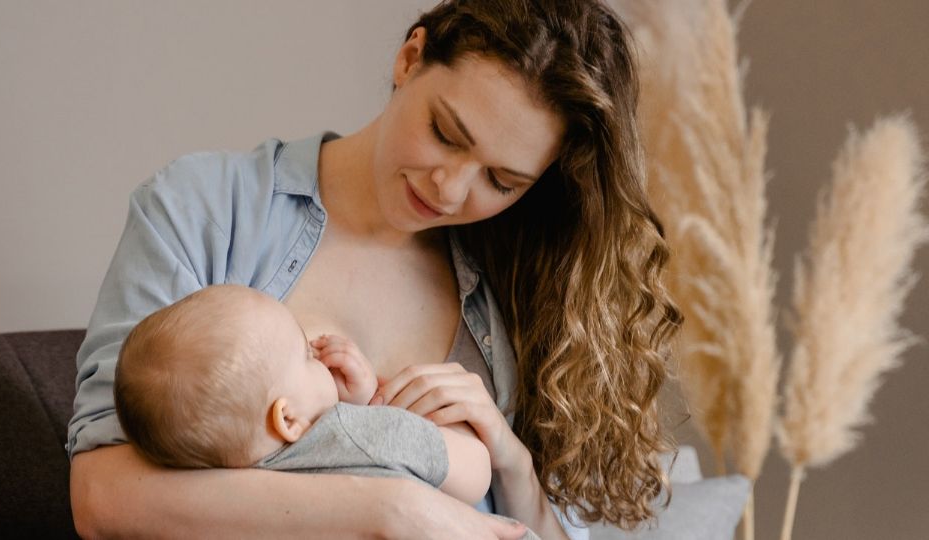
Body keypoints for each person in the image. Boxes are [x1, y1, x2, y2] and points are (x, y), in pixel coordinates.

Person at [68, 0, 683, 538]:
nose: (449, 189)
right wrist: (391, 509)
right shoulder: (204, 208)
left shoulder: (520, 280)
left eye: (502, 180)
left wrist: (509, 457)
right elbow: (102, 495)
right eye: (445, 133)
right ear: (410, 59)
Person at [113, 284, 492, 507]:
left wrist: (348, 400)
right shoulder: (355, 433)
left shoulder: (230, 488)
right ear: (288, 419)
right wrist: (381, 413)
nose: (317, 352)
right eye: (306, 355)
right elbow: (475, 473)